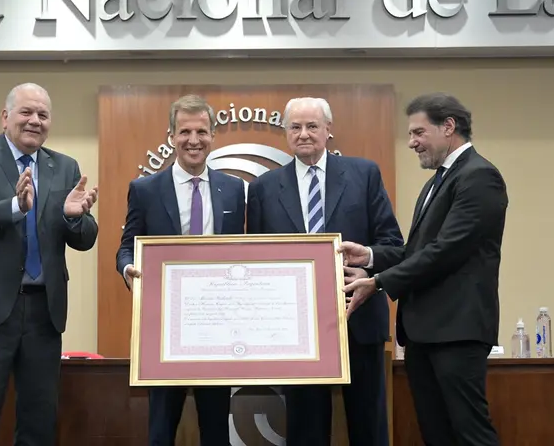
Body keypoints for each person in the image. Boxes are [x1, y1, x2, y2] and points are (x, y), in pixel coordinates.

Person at [340, 92, 507, 446]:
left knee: (469, 433)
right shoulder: (438, 181)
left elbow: (446, 251)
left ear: (449, 127)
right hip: (424, 335)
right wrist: (369, 256)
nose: (412, 143)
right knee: (437, 434)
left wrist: (379, 282)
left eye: (418, 133)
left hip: (456, 334)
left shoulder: (479, 177)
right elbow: (418, 251)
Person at [0, 82, 99, 446]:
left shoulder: (64, 166)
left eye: (43, 115)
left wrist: (75, 217)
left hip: (43, 315)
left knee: (39, 428)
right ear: (5, 116)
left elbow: (84, 238)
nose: (35, 121)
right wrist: (15, 207)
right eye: (26, 112)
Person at [246, 97, 403, 446]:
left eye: (312, 126)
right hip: (295, 332)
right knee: (305, 432)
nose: (304, 134)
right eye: (295, 127)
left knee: (369, 429)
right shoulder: (263, 189)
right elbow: (254, 262)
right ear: (286, 133)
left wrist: (369, 270)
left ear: (328, 130)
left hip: (358, 319)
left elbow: (393, 244)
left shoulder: (364, 174)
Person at [116, 94, 246, 446]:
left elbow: (244, 252)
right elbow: (127, 246)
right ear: (171, 135)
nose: (193, 140)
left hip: (217, 329)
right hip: (165, 328)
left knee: (217, 427)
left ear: (213, 136)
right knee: (162, 426)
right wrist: (127, 267)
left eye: (201, 131)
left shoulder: (233, 190)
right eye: (185, 131)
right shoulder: (144, 190)